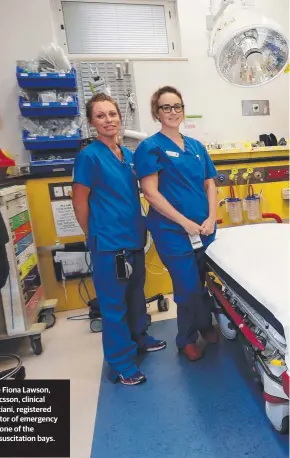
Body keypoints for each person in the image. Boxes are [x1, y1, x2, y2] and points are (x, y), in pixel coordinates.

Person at [72, 93, 166, 386]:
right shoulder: (89, 156)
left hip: (133, 238)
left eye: (112, 114)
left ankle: (139, 338)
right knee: (114, 307)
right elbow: (79, 202)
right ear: (91, 123)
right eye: (101, 116)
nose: (108, 120)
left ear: (119, 118)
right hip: (110, 245)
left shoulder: (125, 154)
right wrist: (94, 233)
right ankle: (122, 363)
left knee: (136, 296)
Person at [134, 86, 218, 362]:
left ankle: (205, 325)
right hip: (172, 232)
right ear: (156, 113)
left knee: (204, 283)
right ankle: (186, 338)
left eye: (177, 106)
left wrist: (211, 217)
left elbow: (210, 183)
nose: (173, 112)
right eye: (166, 107)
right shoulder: (150, 147)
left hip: (204, 230)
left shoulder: (196, 147)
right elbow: (151, 193)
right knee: (187, 287)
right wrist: (185, 223)